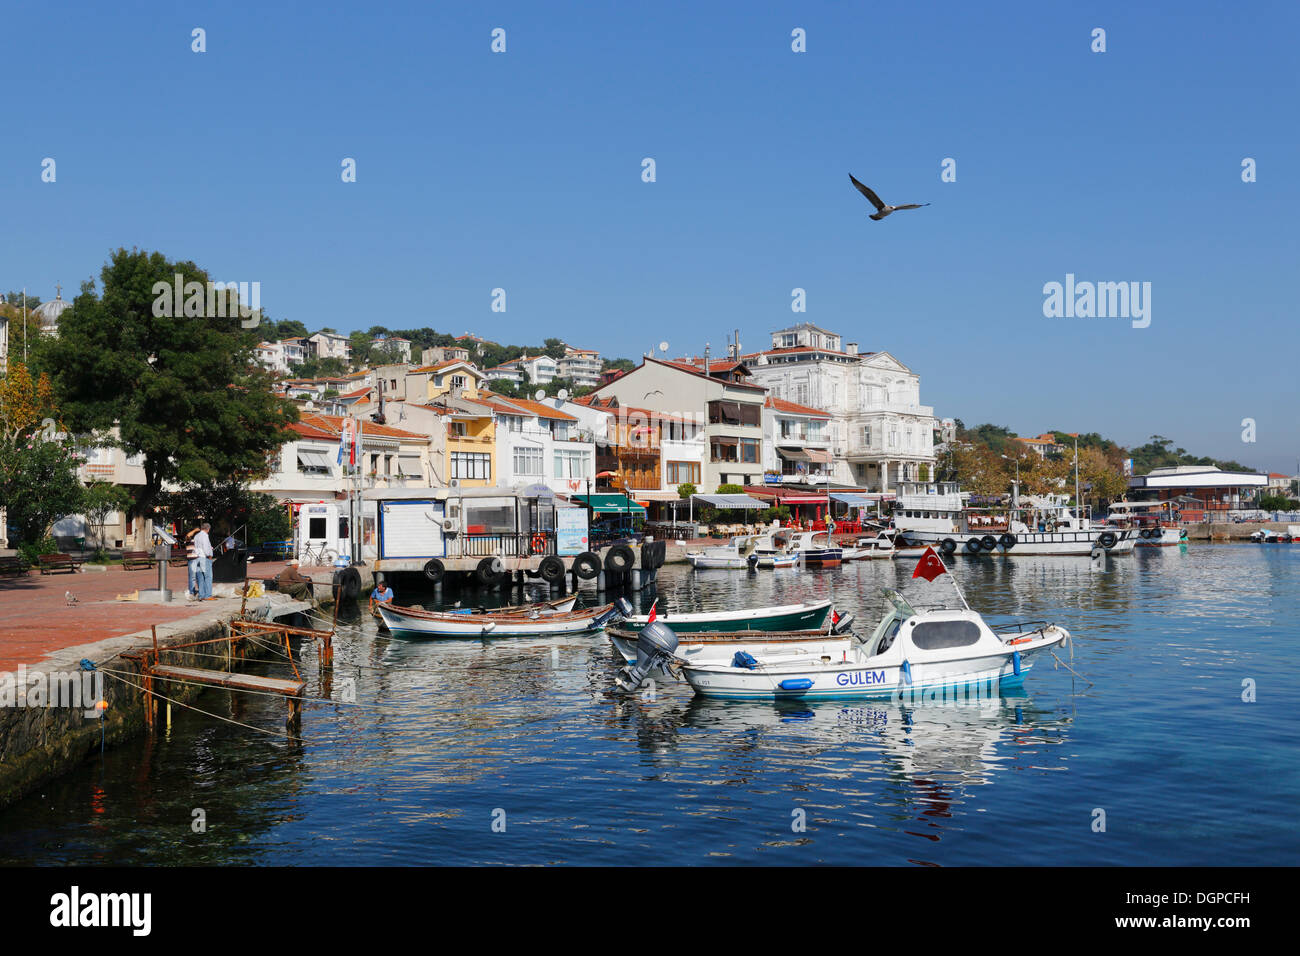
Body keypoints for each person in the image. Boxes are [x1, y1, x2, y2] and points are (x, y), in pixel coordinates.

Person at [193, 522, 215, 600]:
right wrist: (209, 555)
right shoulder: (205, 536)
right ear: (208, 529)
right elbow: (205, 547)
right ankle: (208, 595)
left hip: (197, 558)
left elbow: (196, 547)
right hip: (204, 558)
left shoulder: (196, 536)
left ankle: (201, 595)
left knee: (200, 578)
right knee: (208, 577)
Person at [185, 526, 201, 599]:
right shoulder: (188, 540)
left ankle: (198, 591)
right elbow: (188, 535)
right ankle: (192, 592)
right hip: (192, 560)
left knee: (199, 576)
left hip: (198, 559)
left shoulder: (196, 540)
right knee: (192, 577)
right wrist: (195, 529)